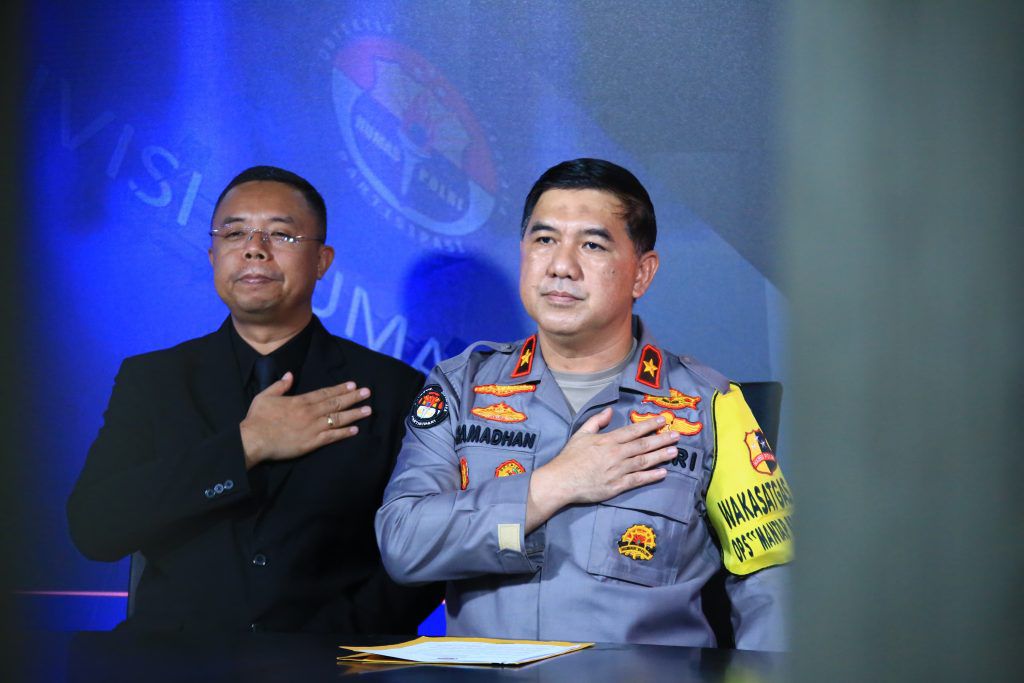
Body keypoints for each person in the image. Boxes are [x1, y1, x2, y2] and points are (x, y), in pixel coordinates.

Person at [376, 158, 792, 650]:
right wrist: (555, 483)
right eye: (544, 239)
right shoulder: (460, 387)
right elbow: (403, 543)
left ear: (642, 273)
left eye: (592, 245)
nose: (561, 266)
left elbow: (775, 582)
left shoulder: (710, 405)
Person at [68, 165, 442, 632]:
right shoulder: (153, 381)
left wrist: (335, 642)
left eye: (280, 235)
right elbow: (95, 529)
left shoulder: (392, 388)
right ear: (213, 257)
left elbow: (430, 547)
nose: (254, 248)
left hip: (335, 658)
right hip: (173, 657)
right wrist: (245, 446)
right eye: (234, 233)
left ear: (322, 260)